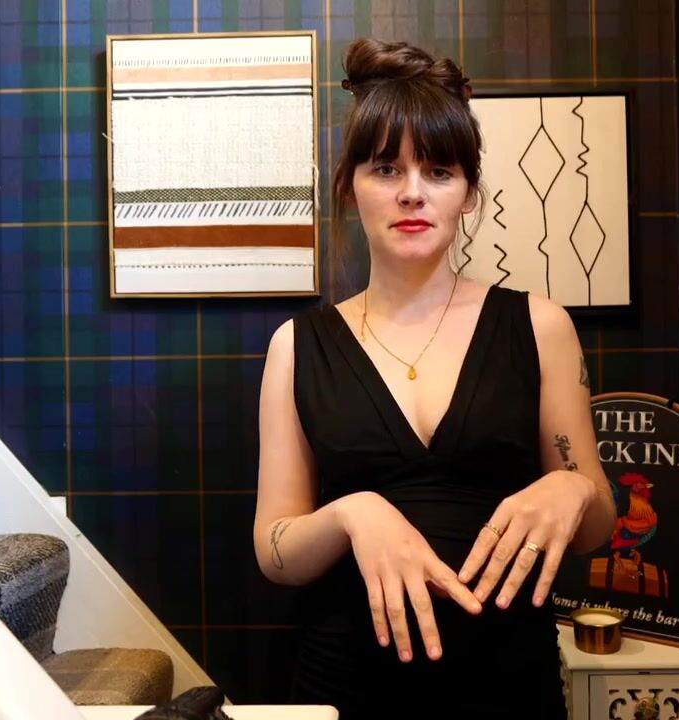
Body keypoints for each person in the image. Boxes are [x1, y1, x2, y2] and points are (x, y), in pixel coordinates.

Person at [252, 37, 617, 719]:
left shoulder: (540, 327)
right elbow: (275, 552)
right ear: (351, 185)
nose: (412, 192)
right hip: (345, 687)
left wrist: (573, 487)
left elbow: (596, 524)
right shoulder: (297, 347)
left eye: (439, 170)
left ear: (469, 193)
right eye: (386, 168)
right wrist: (353, 514)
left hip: (510, 686)